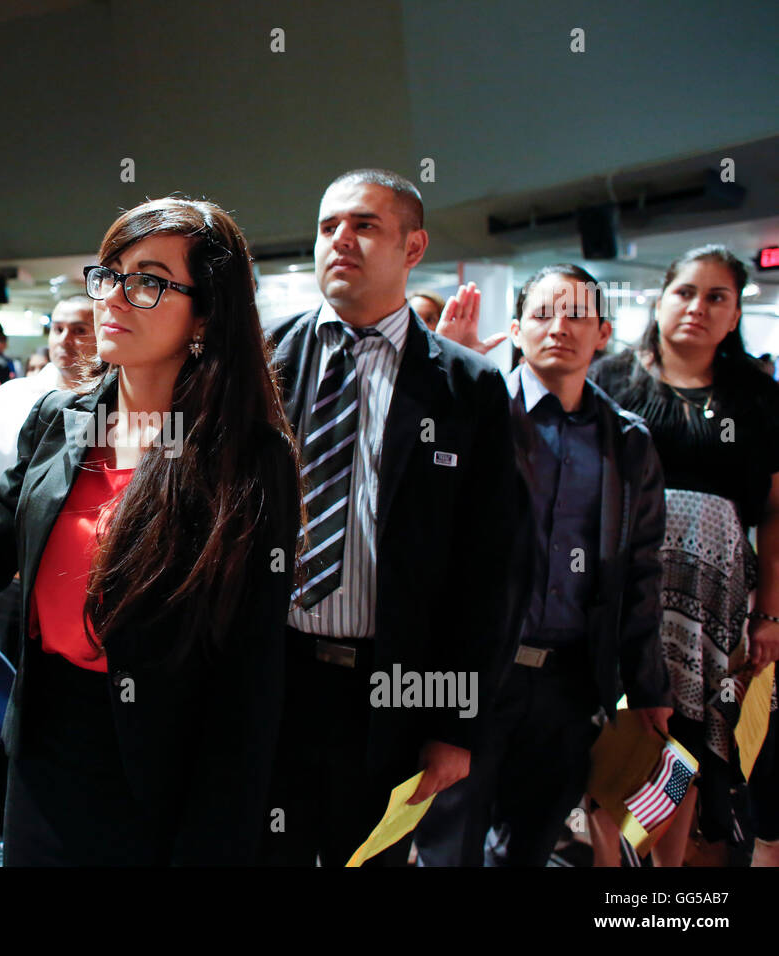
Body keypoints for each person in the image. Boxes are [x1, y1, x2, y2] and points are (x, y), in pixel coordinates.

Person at [0, 198, 301, 865]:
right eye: (110, 274)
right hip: (47, 744)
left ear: (205, 314)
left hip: (164, 763)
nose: (114, 297)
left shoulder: (245, 456)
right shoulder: (62, 419)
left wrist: (219, 837)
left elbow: (249, 679)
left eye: (148, 280)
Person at [262, 169, 528, 867]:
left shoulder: (467, 384)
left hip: (393, 687)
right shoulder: (262, 363)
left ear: (414, 249)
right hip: (273, 676)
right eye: (327, 227)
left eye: (365, 226)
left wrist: (456, 725)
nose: (340, 241)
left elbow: (491, 567)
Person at [419, 265, 673, 866]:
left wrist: (648, 687)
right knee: (448, 846)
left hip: (567, 683)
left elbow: (640, 570)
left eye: (577, 314)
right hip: (472, 674)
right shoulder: (477, 418)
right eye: (541, 314)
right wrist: (446, 383)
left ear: (604, 333)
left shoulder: (628, 441)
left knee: (530, 847)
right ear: (513, 329)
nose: (559, 327)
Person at [590, 244, 779, 866]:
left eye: (716, 297)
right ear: (661, 299)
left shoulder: (756, 396)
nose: (697, 308)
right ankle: (611, 873)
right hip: (618, 592)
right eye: (685, 292)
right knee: (612, 744)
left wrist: (768, 613)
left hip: (713, 606)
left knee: (688, 750)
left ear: (733, 316)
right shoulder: (612, 380)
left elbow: (776, 510)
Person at [0, 292, 97, 835]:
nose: (67, 342)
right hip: (14, 587)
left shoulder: (134, 412)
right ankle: (1, 824)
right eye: (60, 329)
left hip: (80, 595)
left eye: (81, 330)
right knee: (7, 710)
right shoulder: (16, 400)